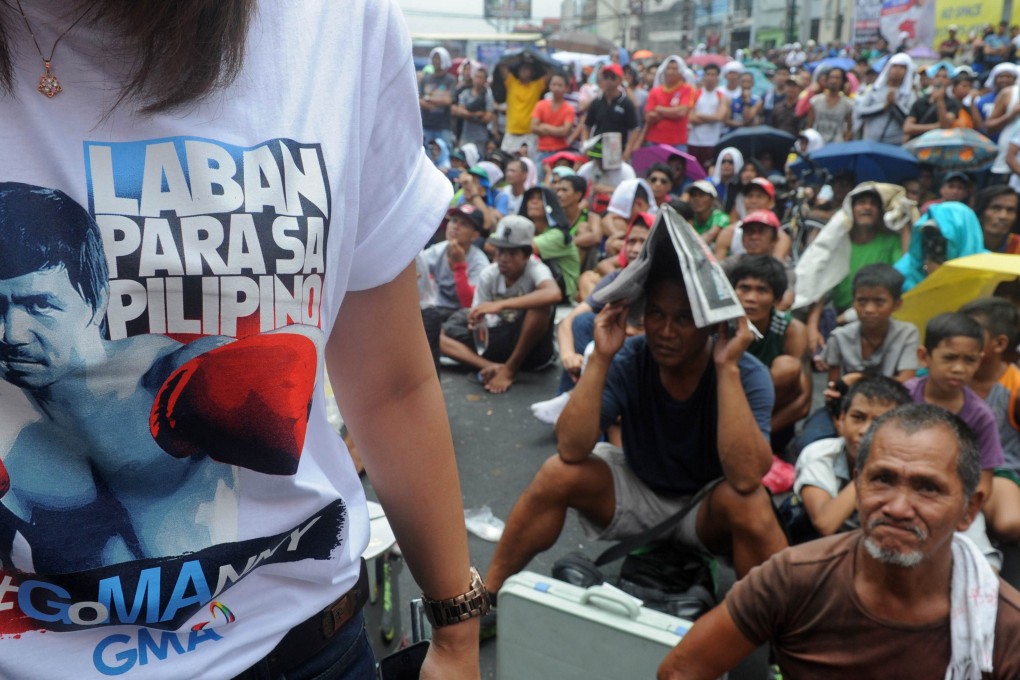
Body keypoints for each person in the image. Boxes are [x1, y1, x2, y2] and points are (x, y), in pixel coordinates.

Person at [0, 2, 483, 677]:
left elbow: (389, 383)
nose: (12, 333)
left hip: (298, 642)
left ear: (92, 295)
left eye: (37, 305)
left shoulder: (335, 22)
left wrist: (456, 628)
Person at [485, 249, 788, 598]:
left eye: (684, 318)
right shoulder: (631, 357)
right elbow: (570, 447)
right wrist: (600, 357)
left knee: (750, 503)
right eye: (656, 314)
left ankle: (779, 637)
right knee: (557, 473)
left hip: (705, 509)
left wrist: (727, 369)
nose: (666, 331)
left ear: (711, 324)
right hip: (638, 491)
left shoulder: (747, 373)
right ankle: (488, 594)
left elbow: (748, 476)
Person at [658, 403, 1020, 679]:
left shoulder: (1005, 628)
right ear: (858, 485)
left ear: (968, 510)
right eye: (882, 479)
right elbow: (680, 672)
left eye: (927, 488)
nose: (897, 507)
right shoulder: (794, 578)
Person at [439, 216, 561, 394]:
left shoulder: (536, 269)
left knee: (541, 306)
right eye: (500, 252)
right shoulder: (489, 274)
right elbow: (479, 317)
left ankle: (510, 369)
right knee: (436, 334)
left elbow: (553, 293)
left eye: (511, 254)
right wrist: (476, 320)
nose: (503, 258)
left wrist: (501, 305)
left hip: (530, 350)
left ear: (526, 255)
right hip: (497, 340)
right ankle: (493, 367)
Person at [793, 377, 912, 539]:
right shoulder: (820, 454)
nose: (865, 430)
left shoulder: (910, 463)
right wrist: (870, 465)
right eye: (858, 417)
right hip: (826, 544)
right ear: (841, 420)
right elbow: (825, 523)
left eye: (879, 422)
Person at [728, 255, 811, 444]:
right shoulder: (720, 326)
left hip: (770, 424)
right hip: (723, 412)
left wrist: (755, 435)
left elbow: (803, 402)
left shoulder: (792, 330)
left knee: (787, 367)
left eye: (762, 290)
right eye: (744, 288)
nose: (751, 298)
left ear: (777, 298)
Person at [961, 298, 1020, 544]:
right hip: (951, 465)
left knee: (1010, 523)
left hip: (1000, 469)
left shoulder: (1015, 387)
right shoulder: (949, 376)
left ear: (999, 344)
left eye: (972, 332)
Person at [822, 264, 919, 391]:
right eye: (862, 301)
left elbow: (906, 382)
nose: (869, 309)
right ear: (853, 302)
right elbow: (833, 387)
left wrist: (857, 379)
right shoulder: (839, 337)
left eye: (879, 302)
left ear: (897, 304)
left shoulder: (907, 334)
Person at [519, 186, 581, 302]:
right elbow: (491, 243)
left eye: (540, 198)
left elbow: (524, 250)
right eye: (531, 198)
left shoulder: (558, 234)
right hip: (536, 288)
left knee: (523, 257)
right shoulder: (527, 231)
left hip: (562, 292)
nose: (534, 201)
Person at [854, 53, 917, 145]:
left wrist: (895, 105)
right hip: (871, 141)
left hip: (895, 144)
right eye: (895, 66)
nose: (897, 70)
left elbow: (909, 120)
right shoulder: (875, 89)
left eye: (902, 67)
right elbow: (860, 112)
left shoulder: (909, 94)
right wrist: (883, 107)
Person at [579, 63, 640, 158]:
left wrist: (628, 150)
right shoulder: (597, 101)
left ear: (620, 79)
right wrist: (585, 144)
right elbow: (587, 126)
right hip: (597, 151)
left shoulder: (625, 103)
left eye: (612, 77)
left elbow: (635, 129)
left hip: (618, 152)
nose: (608, 81)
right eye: (606, 77)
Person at [638, 56, 695, 150]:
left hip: (678, 143)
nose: (671, 72)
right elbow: (649, 116)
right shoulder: (655, 91)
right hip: (654, 141)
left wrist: (660, 109)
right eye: (668, 68)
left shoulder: (688, 90)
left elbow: (681, 112)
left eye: (674, 69)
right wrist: (672, 112)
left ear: (680, 72)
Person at [498, 55, 549, 155]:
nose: (523, 71)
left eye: (527, 69)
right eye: (522, 68)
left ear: (532, 72)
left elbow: (549, 72)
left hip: (529, 134)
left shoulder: (537, 86)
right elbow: (502, 66)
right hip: (511, 132)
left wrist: (537, 59)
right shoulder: (512, 82)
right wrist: (519, 57)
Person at [687, 64, 730, 170]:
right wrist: (712, 118)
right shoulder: (695, 94)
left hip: (712, 141)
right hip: (694, 140)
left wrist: (699, 115)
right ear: (704, 76)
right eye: (708, 74)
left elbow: (720, 117)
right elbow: (690, 117)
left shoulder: (722, 96)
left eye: (713, 75)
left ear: (718, 78)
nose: (710, 77)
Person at [530, 73, 576, 172]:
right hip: (542, 151)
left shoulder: (569, 109)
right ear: (549, 86)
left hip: (560, 153)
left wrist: (545, 127)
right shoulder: (540, 105)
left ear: (566, 88)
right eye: (554, 84)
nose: (556, 88)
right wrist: (556, 130)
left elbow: (565, 131)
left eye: (560, 85)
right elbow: (533, 127)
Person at [903, 63, 960, 140]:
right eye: (937, 76)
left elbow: (945, 126)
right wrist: (935, 127)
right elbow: (907, 128)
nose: (940, 79)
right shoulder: (921, 101)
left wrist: (940, 100)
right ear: (932, 79)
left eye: (944, 77)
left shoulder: (953, 103)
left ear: (950, 81)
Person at [420, 46, 457, 150]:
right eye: (434, 58)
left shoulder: (450, 80)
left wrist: (428, 99)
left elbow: (448, 101)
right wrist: (438, 101)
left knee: (444, 153)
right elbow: (419, 100)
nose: (436, 61)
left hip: (444, 127)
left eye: (439, 58)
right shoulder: (425, 79)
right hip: (426, 125)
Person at [452, 64, 495, 148]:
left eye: (481, 78)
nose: (478, 80)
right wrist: (476, 115)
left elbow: (487, 117)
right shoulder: (465, 93)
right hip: (465, 136)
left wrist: (467, 115)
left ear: (485, 80)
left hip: (480, 138)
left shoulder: (488, 95)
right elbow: (460, 112)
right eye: (476, 77)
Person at [807, 67, 853, 144]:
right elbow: (809, 125)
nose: (834, 81)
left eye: (837, 78)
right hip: (817, 142)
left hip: (837, 145)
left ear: (842, 81)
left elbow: (850, 128)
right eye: (831, 77)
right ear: (827, 80)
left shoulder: (848, 104)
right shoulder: (815, 101)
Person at [976, 185, 1020, 254]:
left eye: (1010, 210)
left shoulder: (1018, 246)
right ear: (981, 212)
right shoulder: (964, 243)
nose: (1003, 216)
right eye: (996, 208)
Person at [687, 179, 730, 245]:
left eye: (702, 195)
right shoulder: (689, 218)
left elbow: (708, 238)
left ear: (712, 199)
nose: (696, 199)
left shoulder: (721, 218)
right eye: (693, 195)